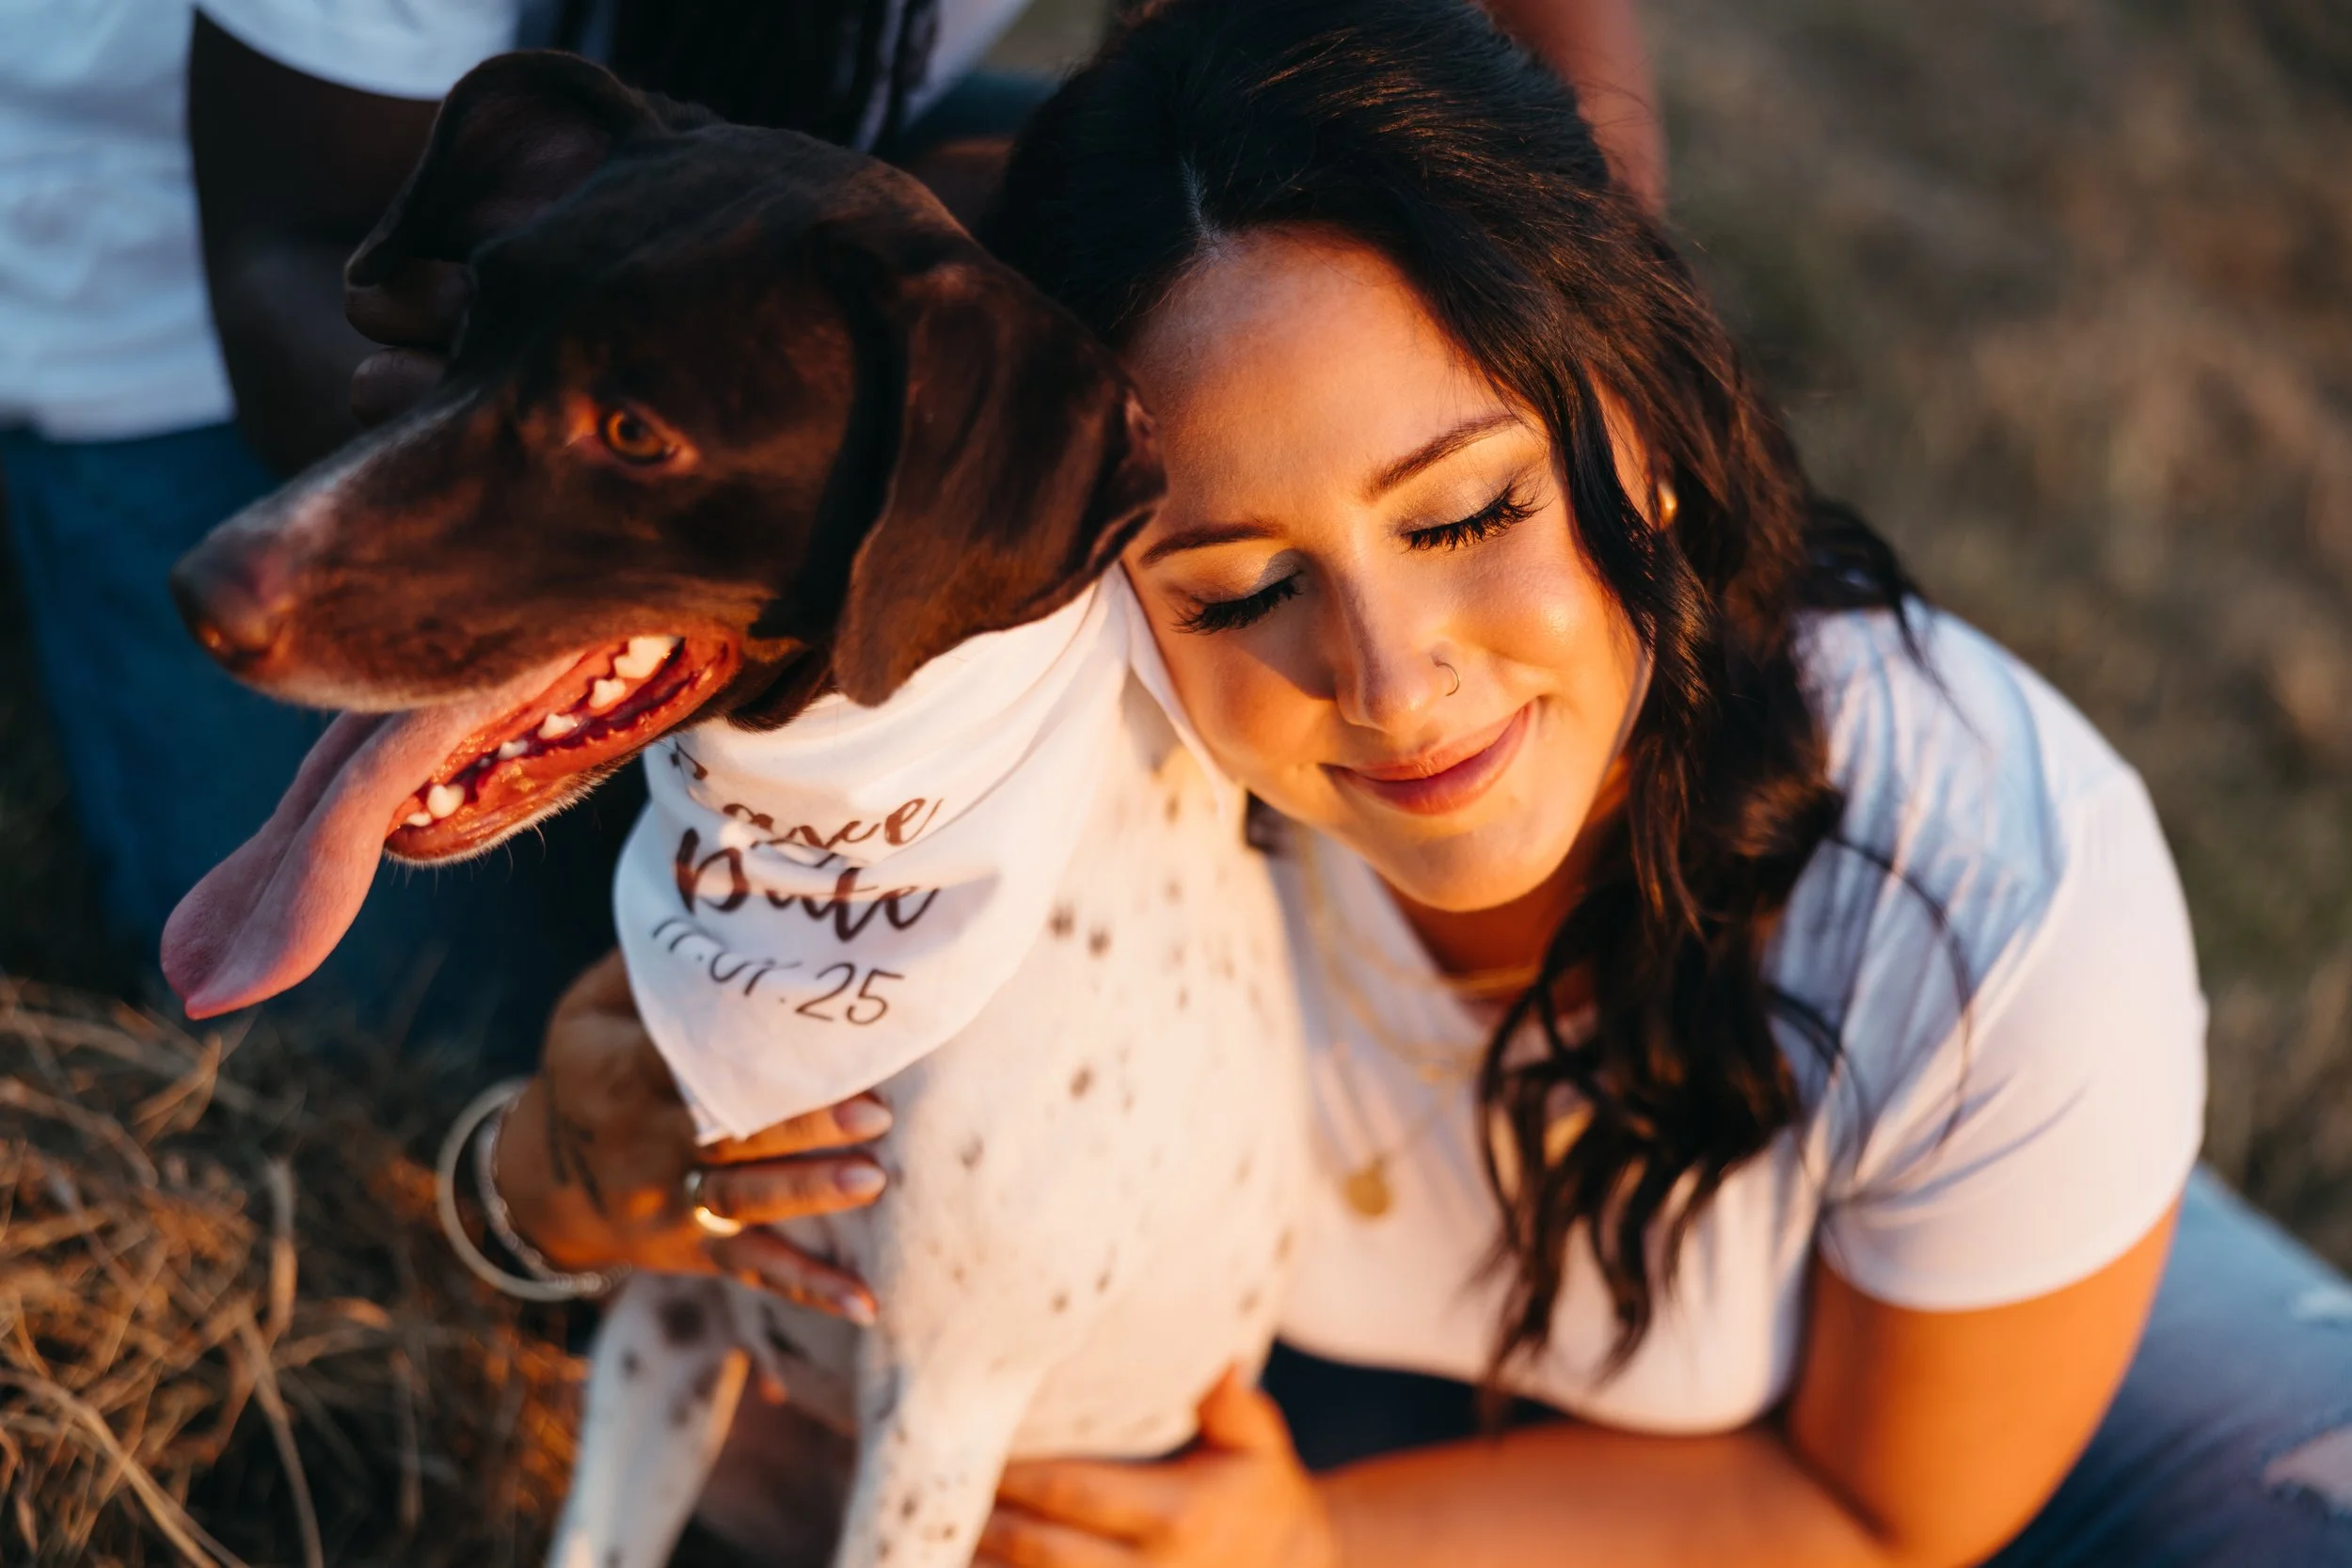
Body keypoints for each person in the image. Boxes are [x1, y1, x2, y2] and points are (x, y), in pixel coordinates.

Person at [484, 1, 2352, 1563]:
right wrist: (548, 1179)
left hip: (1912, 1345)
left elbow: (1874, 1504)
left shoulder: (1999, 886)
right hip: (1327, 1368)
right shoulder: (1030, 754)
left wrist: (1321, 1545)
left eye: (1467, 506)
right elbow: (625, 1180)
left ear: (1648, 421)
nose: (1389, 684)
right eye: (1240, 585)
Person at [0, 0, 1056, 1056]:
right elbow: (288, 247)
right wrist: (515, 441)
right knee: (445, 1034)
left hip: (760, 138)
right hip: (172, 273)